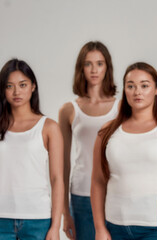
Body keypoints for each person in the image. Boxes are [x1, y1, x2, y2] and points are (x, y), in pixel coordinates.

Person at [91, 62, 157, 240]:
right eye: (130, 86)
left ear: (156, 89)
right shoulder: (108, 131)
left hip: (156, 227)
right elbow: (97, 181)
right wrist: (100, 228)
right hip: (115, 225)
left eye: (144, 85)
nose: (137, 91)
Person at [59, 41, 119, 239]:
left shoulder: (120, 107)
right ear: (81, 68)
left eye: (99, 63)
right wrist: (65, 211)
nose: (94, 70)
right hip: (81, 193)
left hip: (114, 191)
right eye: (88, 64)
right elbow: (63, 162)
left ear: (107, 67)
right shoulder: (69, 110)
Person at [0, 59, 64, 239]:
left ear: (33, 86)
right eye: (9, 86)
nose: (16, 91)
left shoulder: (49, 127)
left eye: (22, 85)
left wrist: (55, 226)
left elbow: (57, 178)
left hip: (38, 219)